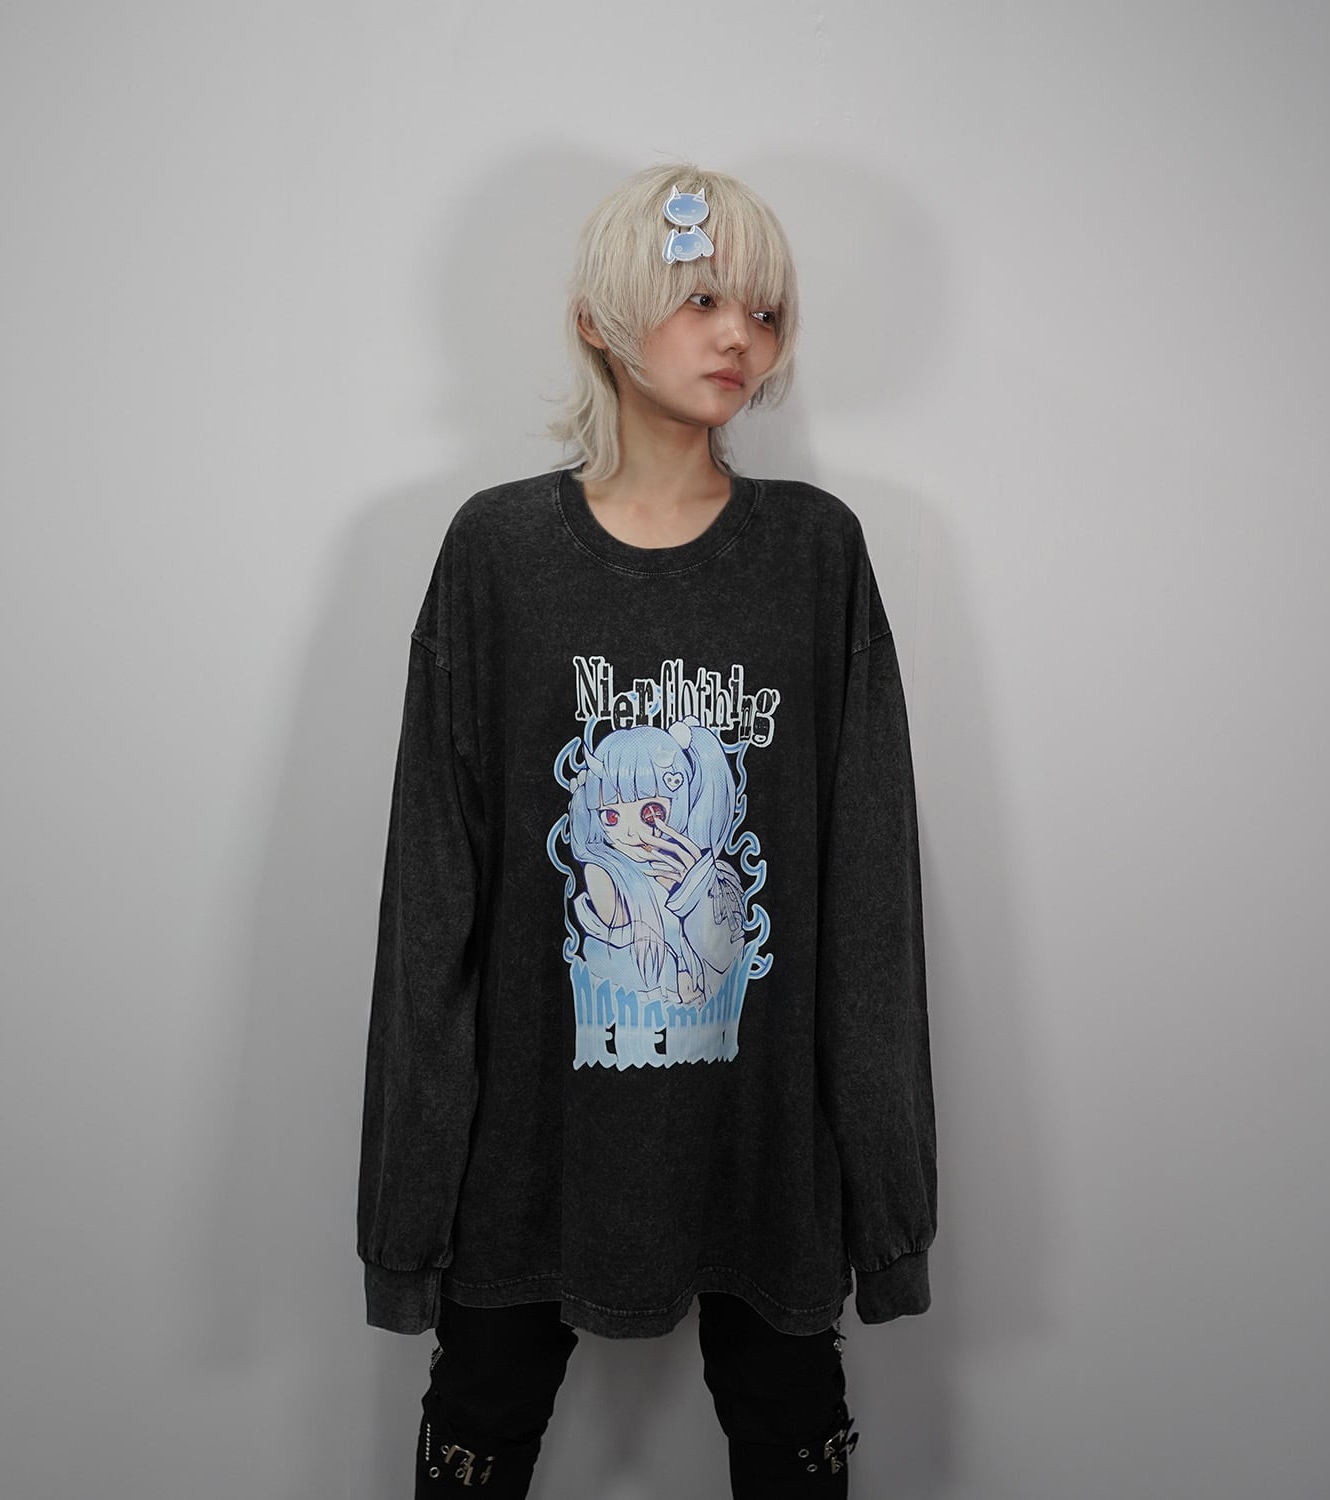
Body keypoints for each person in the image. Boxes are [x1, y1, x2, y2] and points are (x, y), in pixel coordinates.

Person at [357, 162, 937, 1498]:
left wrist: (886, 1201)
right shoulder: (500, 553)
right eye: (700, 300)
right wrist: (409, 1212)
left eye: (766, 311)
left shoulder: (815, 554)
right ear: (597, 320)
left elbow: (868, 897)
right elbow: (432, 895)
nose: (740, 336)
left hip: (765, 1142)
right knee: (478, 1420)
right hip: (532, 1146)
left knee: (792, 1428)